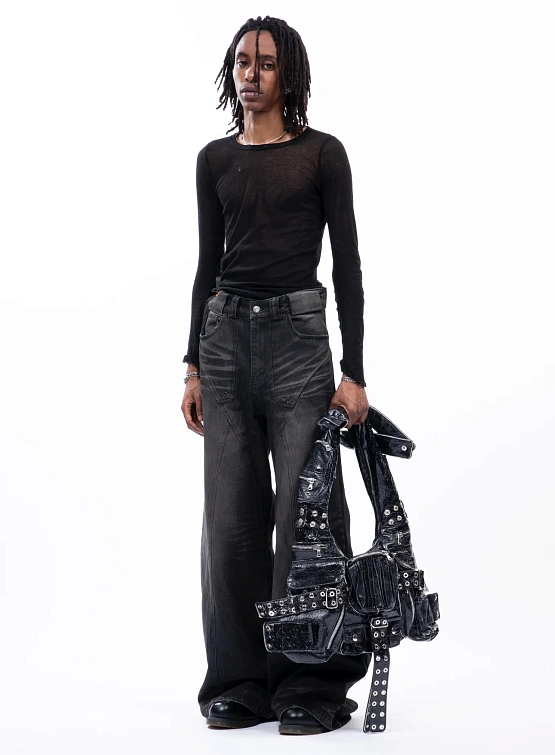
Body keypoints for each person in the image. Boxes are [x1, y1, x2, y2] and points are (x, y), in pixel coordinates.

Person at [181, 15, 370, 735]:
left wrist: (354, 372)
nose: (249, 74)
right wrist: (192, 365)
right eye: (241, 61)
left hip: (298, 345)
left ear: (288, 73)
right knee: (231, 524)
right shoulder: (214, 160)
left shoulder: (322, 154)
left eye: (264, 63)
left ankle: (312, 684)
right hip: (224, 344)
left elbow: (346, 265)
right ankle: (239, 682)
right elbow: (207, 264)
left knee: (306, 517)